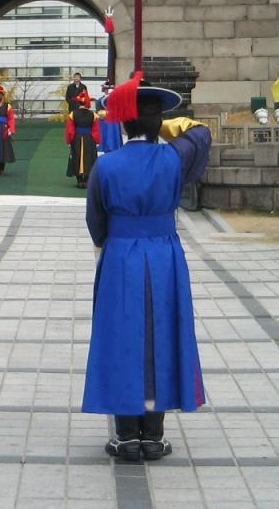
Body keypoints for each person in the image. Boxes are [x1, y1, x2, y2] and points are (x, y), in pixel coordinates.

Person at [84, 74, 213, 462]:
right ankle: (153, 436)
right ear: (159, 123)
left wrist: (114, 242)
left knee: (122, 335)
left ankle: (126, 435)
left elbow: (96, 221)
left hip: (120, 254)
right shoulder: (173, 158)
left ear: (123, 124)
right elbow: (201, 134)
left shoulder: (106, 165)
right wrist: (170, 127)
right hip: (164, 255)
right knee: (162, 334)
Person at [66, 91, 101, 188]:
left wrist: (69, 140)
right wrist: (97, 141)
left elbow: (70, 129)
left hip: (77, 138)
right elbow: (96, 129)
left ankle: (79, 180)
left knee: (76, 156)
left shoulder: (73, 114)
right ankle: (86, 180)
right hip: (89, 138)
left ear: (78, 103)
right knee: (89, 158)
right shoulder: (93, 115)